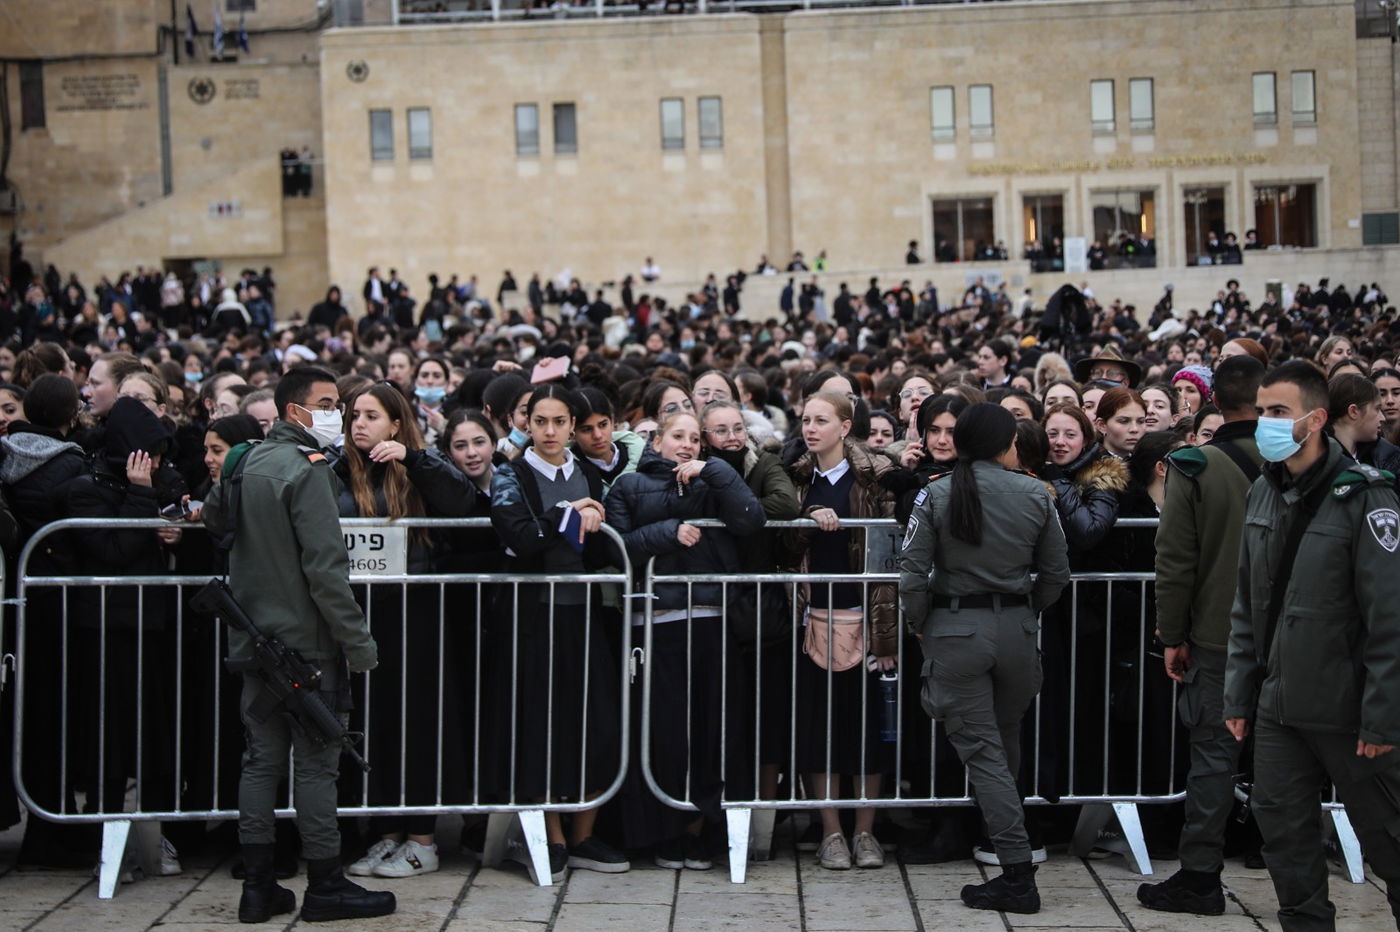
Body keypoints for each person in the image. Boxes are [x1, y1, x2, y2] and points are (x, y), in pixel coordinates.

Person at [201, 365, 395, 924]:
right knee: (315, 768)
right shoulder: (307, 470)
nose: (337, 411)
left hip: (253, 643)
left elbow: (215, 520)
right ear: (296, 412)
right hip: (307, 647)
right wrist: (359, 644)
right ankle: (326, 885)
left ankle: (258, 888)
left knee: (260, 762)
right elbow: (326, 572)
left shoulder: (243, 461)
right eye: (329, 402)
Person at [1224, 360, 1400, 931]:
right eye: (1261, 411)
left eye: (1279, 412)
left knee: (1389, 836)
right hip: (1278, 706)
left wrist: (1382, 716)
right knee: (1284, 836)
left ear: (1316, 418)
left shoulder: (1365, 498)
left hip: (1347, 709)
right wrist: (1237, 696)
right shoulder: (1261, 493)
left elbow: (1389, 618)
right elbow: (1247, 607)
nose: (1266, 423)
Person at [899, 403, 1070, 914]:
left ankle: (1017, 872)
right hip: (1016, 630)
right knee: (1004, 744)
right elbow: (1057, 574)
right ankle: (1008, 853)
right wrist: (1023, 612)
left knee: (985, 754)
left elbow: (911, 574)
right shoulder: (1036, 493)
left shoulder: (935, 493)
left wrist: (922, 623)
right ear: (1001, 444)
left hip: (957, 631)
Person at [606, 409, 763, 869]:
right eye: (678, 436)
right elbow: (617, 547)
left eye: (696, 439)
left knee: (711, 731)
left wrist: (716, 472)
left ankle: (702, 829)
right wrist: (667, 534)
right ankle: (662, 831)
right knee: (663, 733)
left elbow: (751, 519)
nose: (687, 445)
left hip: (710, 618)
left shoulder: (714, 481)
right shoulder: (628, 486)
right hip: (654, 624)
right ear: (657, 442)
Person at [487, 383, 629, 883]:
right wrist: (571, 515)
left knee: (596, 719)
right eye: (540, 421)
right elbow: (521, 536)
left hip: (584, 613)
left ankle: (586, 831)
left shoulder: (587, 471)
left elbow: (601, 546)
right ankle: (553, 837)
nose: (550, 431)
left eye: (559, 422)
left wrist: (589, 521)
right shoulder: (512, 474)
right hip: (533, 618)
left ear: (573, 425)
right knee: (542, 725)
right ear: (527, 424)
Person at [1139, 355, 1264, 915]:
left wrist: (1172, 633)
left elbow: (1175, 559)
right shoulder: (1309, 461)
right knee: (1297, 759)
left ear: (1215, 401)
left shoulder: (1195, 466)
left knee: (1214, 757)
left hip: (1218, 633)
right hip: (1296, 635)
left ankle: (1200, 877)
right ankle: (1299, 879)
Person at [334, 382, 475, 880]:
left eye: (371, 415)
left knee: (419, 723)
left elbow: (464, 505)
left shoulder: (418, 466)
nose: (359, 424)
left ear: (395, 423)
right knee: (375, 724)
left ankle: (423, 837)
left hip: (416, 612)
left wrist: (416, 458)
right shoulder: (337, 470)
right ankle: (387, 832)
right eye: (353, 415)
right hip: (361, 613)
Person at [784, 391, 898, 871]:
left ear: (845, 426)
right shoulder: (794, 478)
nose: (811, 428)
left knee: (867, 731)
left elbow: (889, 552)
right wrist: (805, 521)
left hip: (867, 618)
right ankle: (831, 831)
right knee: (819, 730)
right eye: (806, 420)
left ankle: (865, 831)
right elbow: (781, 548)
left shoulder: (873, 477)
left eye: (821, 420)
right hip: (814, 620)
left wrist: (886, 634)